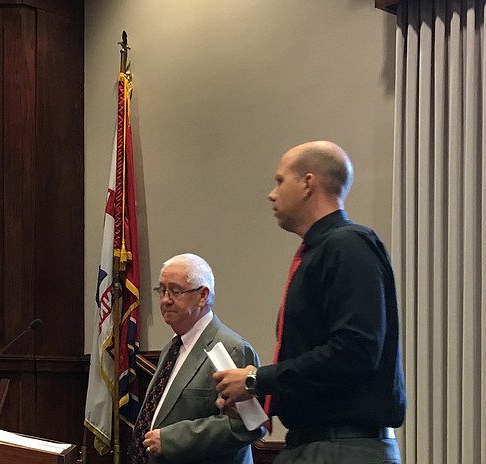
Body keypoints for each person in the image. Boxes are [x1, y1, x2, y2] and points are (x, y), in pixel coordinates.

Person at [213, 141, 406, 463]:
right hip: (314, 445)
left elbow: (355, 349)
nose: (271, 194)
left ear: (308, 183)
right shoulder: (320, 251)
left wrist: (256, 379)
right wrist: (256, 394)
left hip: (344, 448)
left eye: (279, 181)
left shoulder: (349, 245)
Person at [130, 253, 264, 464]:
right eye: (162, 290)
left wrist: (172, 440)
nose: (165, 300)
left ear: (203, 295)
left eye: (175, 291)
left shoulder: (230, 348)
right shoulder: (173, 347)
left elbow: (250, 425)